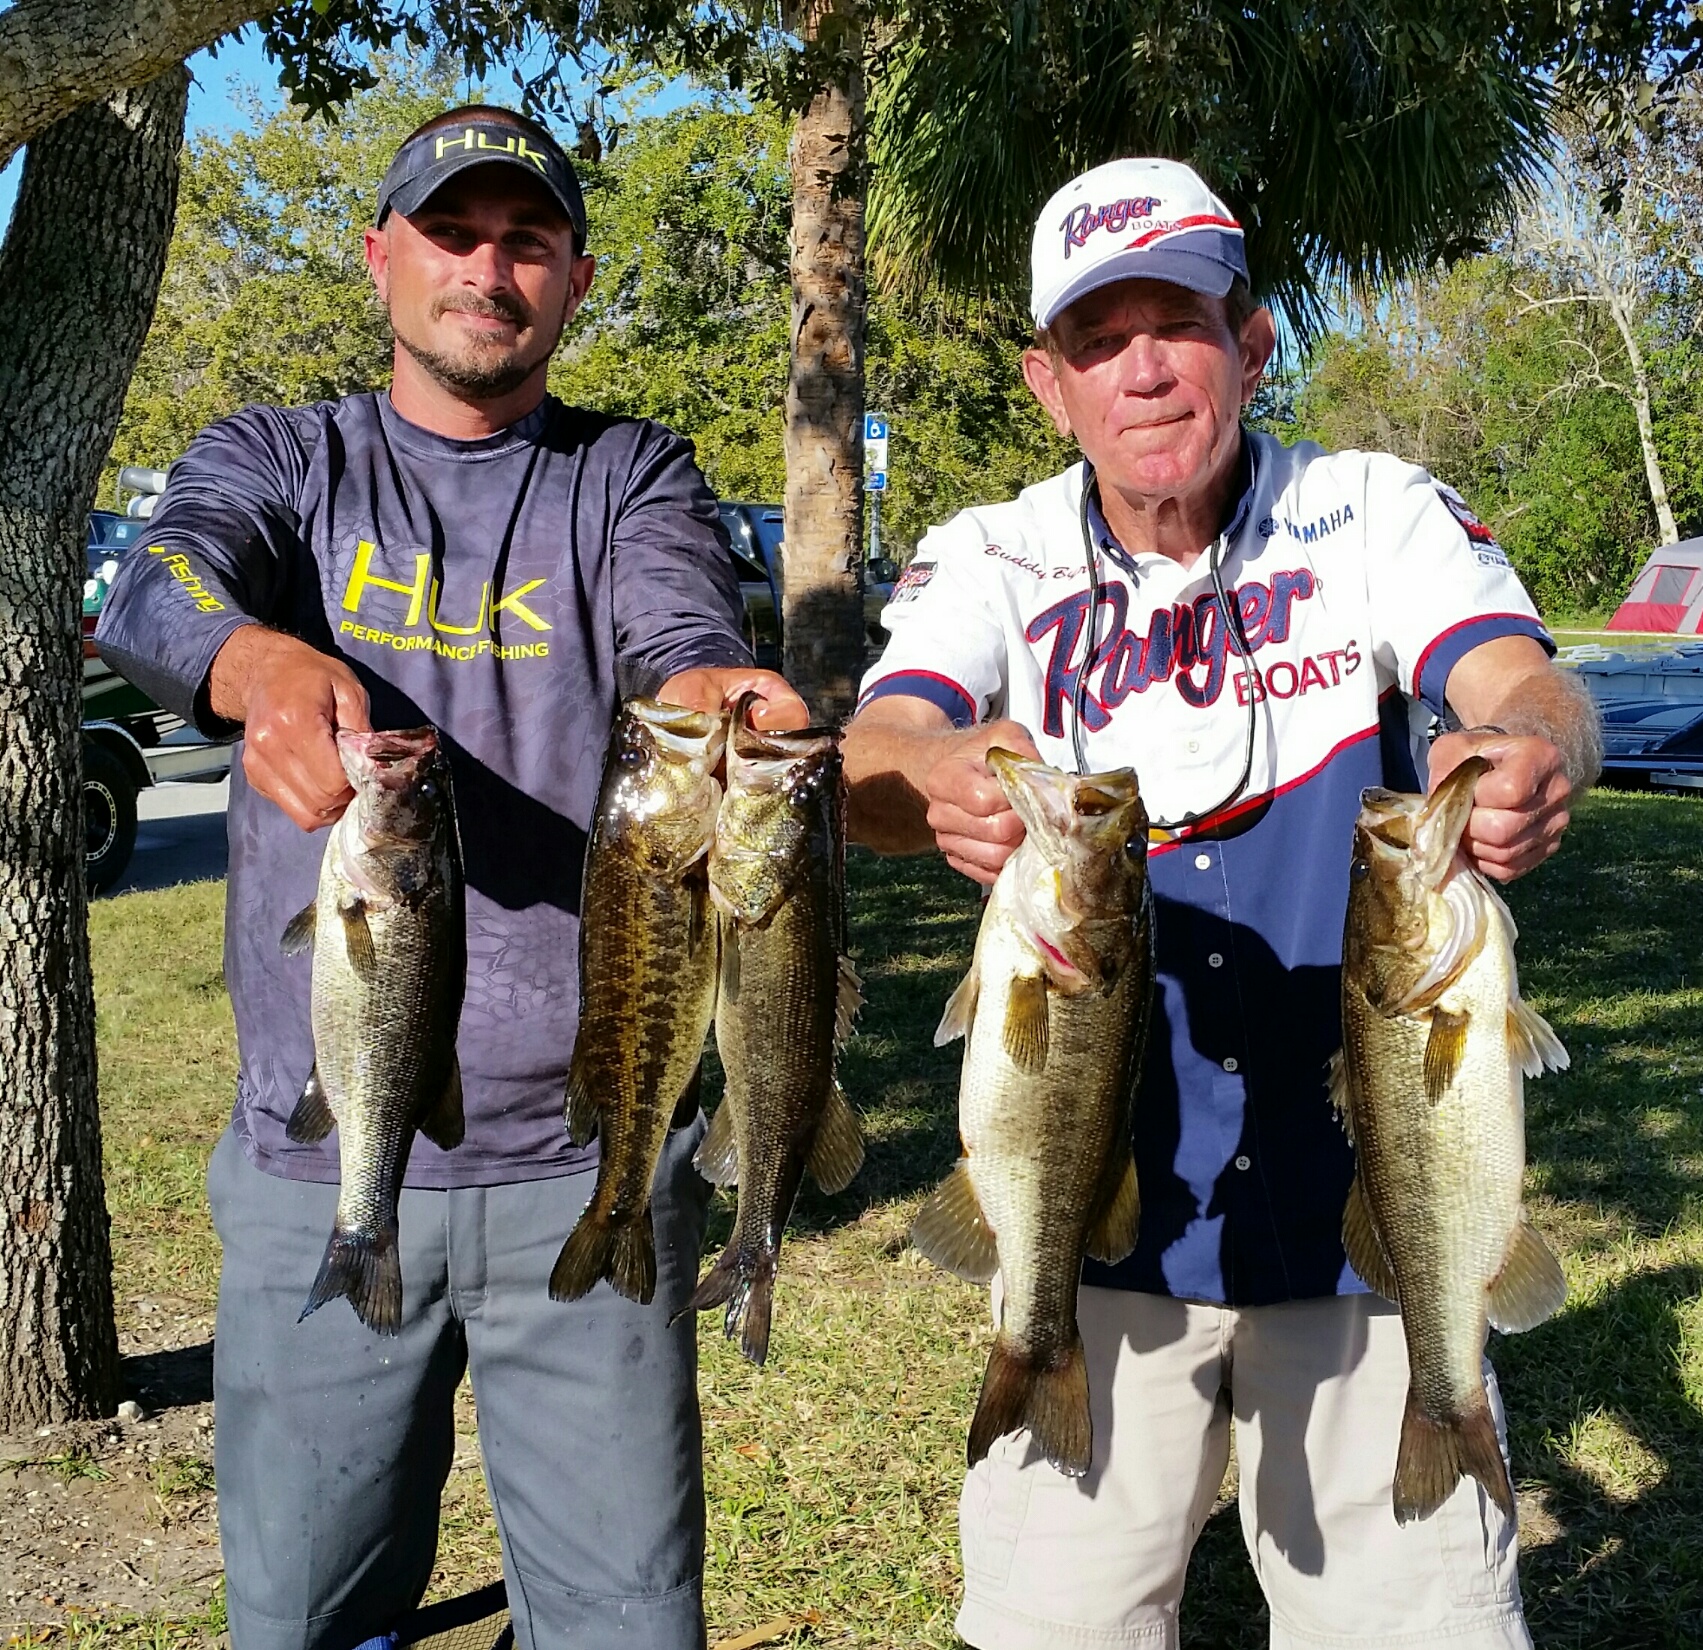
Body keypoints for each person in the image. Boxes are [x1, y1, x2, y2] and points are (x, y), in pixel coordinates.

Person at [842, 157, 1601, 1650]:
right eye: (1096, 338)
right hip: (1103, 1229)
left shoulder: (1370, 511)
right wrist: (931, 767)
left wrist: (1527, 747)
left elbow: (1525, 682)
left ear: (1250, 343)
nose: (1142, 371)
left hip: (1367, 1222)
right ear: (1048, 384)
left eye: (1178, 323)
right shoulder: (991, 554)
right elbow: (872, 753)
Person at [96, 105, 806, 1650]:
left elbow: (681, 623)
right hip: (324, 1165)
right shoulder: (284, 456)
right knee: (303, 1613)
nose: (489, 268)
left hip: (590, 1157)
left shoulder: (629, 473)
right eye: (453, 233)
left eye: (527, 241)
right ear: (380, 258)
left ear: (575, 279)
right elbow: (160, 584)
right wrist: (253, 663)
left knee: (626, 1622)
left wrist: (717, 691)